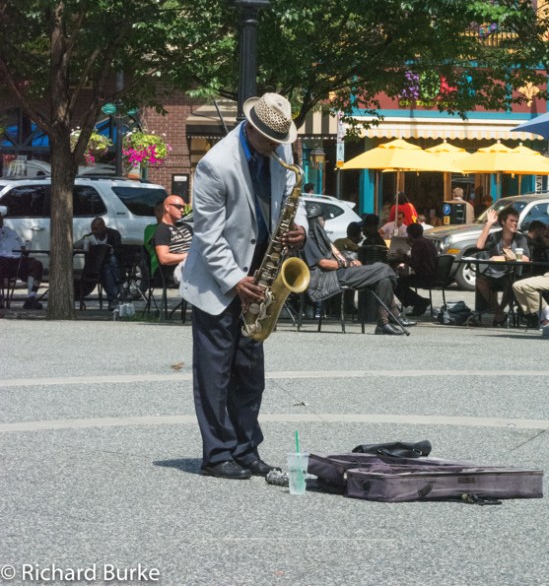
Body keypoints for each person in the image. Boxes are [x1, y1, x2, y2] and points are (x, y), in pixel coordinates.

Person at [180, 93, 307, 480]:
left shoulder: (278, 152)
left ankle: (245, 449)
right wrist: (236, 280)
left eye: (279, 140)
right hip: (219, 281)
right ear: (252, 128)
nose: (276, 148)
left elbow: (292, 195)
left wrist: (299, 226)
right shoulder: (215, 165)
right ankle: (217, 454)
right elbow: (207, 235)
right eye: (270, 140)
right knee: (215, 375)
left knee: (251, 374)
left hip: (260, 274)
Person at [302, 203, 408, 334]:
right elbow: (323, 263)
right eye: (322, 219)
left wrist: (348, 261)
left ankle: (383, 324)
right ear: (316, 221)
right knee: (383, 269)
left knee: (384, 279)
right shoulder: (309, 240)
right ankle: (396, 316)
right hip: (331, 277)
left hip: (340, 272)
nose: (324, 222)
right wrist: (349, 264)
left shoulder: (319, 238)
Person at [475, 205, 529, 326]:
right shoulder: (495, 236)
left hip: (511, 275)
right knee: (480, 281)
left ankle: (499, 313)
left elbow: (526, 258)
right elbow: (479, 246)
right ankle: (499, 312)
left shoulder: (520, 238)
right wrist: (488, 224)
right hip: (494, 274)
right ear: (503, 222)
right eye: (512, 221)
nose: (515, 224)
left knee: (512, 282)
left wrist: (503, 258)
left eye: (516, 221)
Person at [74, 217, 124, 311]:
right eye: (92, 229)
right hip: (94, 267)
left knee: (110, 265)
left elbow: (118, 250)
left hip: (108, 266)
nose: (94, 231)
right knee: (109, 266)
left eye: (96, 229)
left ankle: (113, 300)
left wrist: (110, 250)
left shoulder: (113, 234)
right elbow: (75, 245)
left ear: (103, 227)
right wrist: (84, 242)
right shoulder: (90, 237)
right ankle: (117, 290)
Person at [0, 211, 44, 309]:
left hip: (18, 260)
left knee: (36, 265)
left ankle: (31, 298)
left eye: (1, 217)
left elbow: (22, 246)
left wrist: (25, 249)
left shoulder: (10, 231)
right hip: (2, 260)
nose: (1, 219)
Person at [394, 223, 437, 317]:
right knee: (401, 281)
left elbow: (414, 264)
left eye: (408, 234)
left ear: (411, 234)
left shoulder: (418, 244)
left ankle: (419, 302)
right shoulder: (428, 242)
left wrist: (403, 255)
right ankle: (419, 302)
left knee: (396, 283)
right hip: (432, 275)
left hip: (424, 277)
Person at [152, 195, 192, 285]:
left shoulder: (186, 227)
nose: (182, 210)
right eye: (178, 207)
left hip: (192, 266)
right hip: (176, 271)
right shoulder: (162, 230)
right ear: (167, 207)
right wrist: (189, 256)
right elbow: (164, 258)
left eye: (183, 207)